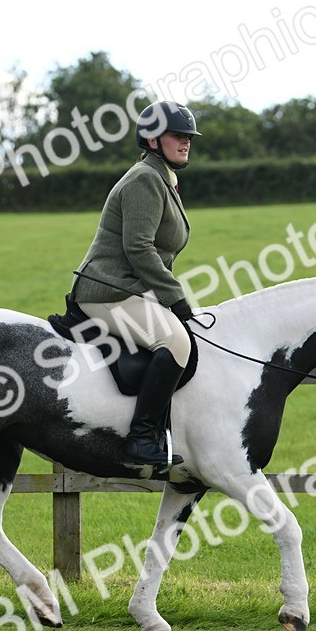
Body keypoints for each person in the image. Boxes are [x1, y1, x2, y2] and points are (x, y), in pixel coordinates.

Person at [70, 100, 200, 467]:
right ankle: (140, 440)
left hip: (129, 288)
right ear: (153, 141)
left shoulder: (162, 178)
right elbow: (138, 247)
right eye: (177, 135)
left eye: (188, 136)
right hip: (107, 290)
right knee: (174, 341)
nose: (185, 142)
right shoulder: (145, 178)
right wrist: (175, 298)